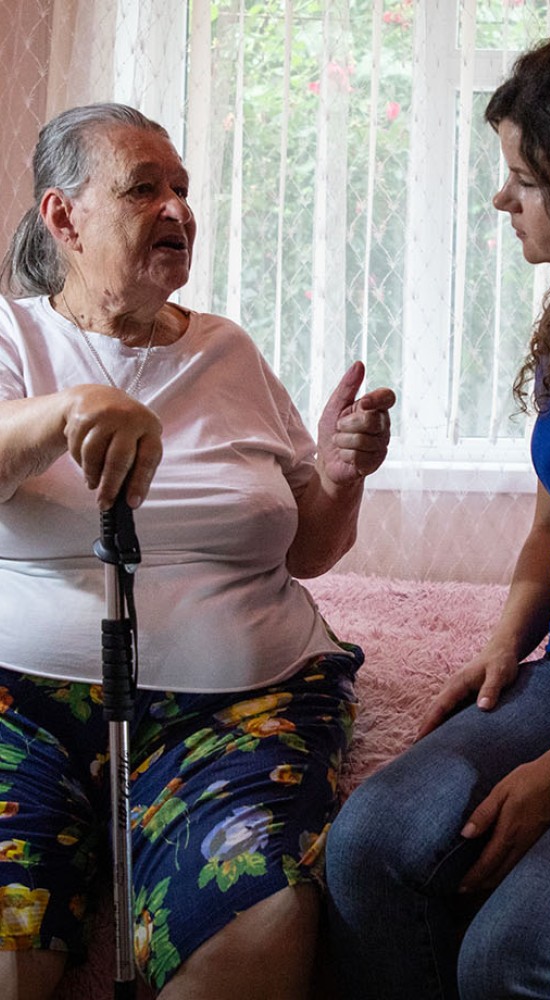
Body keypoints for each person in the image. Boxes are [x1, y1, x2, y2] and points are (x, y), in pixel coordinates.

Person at [0, 102, 395, 1000]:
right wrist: (67, 411)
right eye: (144, 188)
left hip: (239, 706)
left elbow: (311, 551)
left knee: (256, 912)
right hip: (19, 701)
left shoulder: (228, 351)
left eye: (181, 189)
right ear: (64, 217)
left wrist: (337, 477)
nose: (177, 209)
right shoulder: (15, 337)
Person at [325, 18, 550, 1000]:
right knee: (367, 845)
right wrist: (505, 649)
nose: (504, 199)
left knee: (515, 955)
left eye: (527, 181)